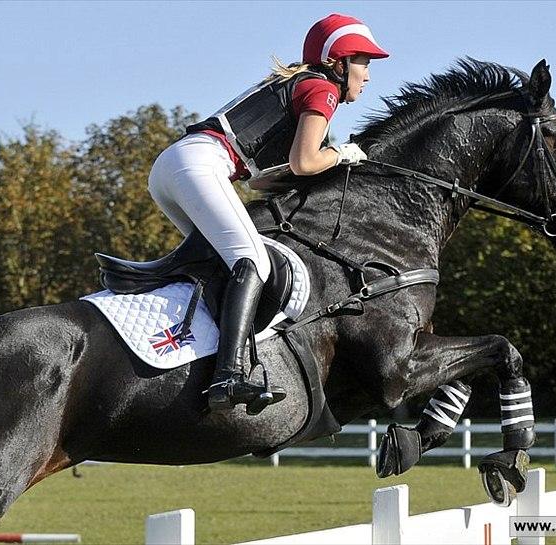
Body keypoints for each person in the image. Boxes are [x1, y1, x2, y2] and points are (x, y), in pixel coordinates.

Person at [147, 14, 389, 414]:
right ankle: (229, 376)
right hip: (199, 165)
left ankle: (194, 354)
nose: (367, 75)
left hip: (174, 168)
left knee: (224, 265)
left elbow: (263, 181)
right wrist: (342, 153)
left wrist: (324, 164)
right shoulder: (322, 89)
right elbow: (307, 161)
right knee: (253, 261)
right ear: (338, 63)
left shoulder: (297, 85)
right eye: (364, 63)